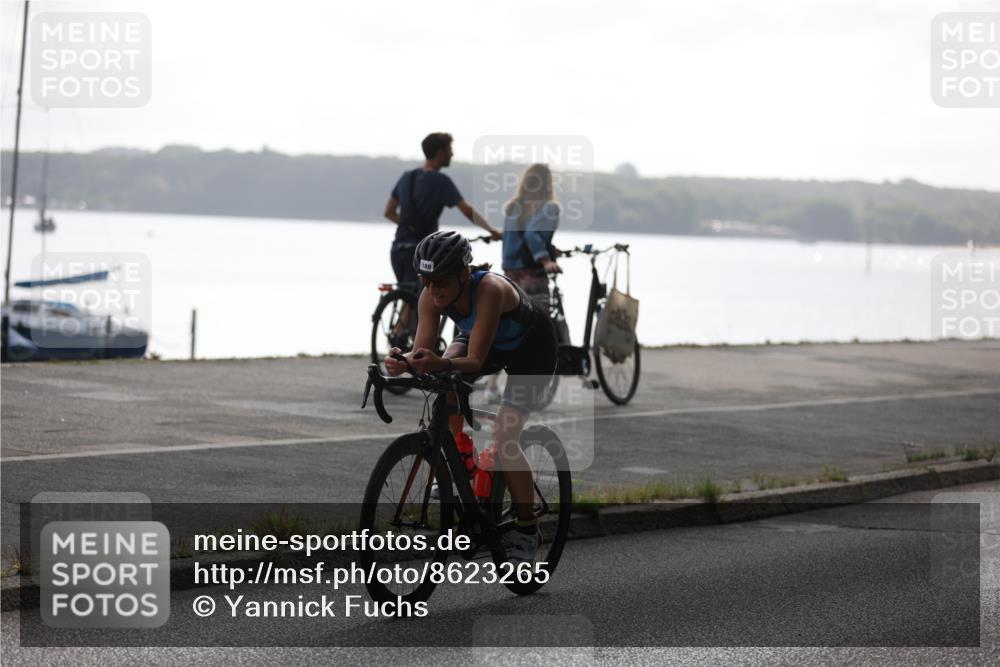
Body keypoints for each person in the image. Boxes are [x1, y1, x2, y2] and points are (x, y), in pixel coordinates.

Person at [384, 230, 557, 565]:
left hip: (532, 349)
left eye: (442, 282)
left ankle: (526, 526)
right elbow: (423, 353)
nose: (434, 291)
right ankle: (462, 461)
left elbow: (476, 361)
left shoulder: (490, 288)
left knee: (506, 437)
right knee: (444, 383)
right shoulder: (430, 294)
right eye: (426, 280)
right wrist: (402, 361)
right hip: (486, 340)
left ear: (464, 274)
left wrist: (437, 361)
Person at [384, 132, 501, 292]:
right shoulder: (441, 181)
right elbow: (467, 210)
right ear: (440, 153)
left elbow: (389, 212)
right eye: (450, 150)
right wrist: (492, 231)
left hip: (397, 249)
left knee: (409, 299)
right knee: (423, 299)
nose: (452, 154)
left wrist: (408, 225)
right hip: (420, 251)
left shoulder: (407, 177)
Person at [484, 163, 561, 403]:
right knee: (539, 331)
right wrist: (546, 259)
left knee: (504, 328)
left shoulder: (512, 207)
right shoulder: (550, 208)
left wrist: (550, 248)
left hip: (510, 274)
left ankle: (492, 384)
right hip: (532, 275)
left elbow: (516, 238)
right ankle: (529, 388)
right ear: (547, 183)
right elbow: (532, 235)